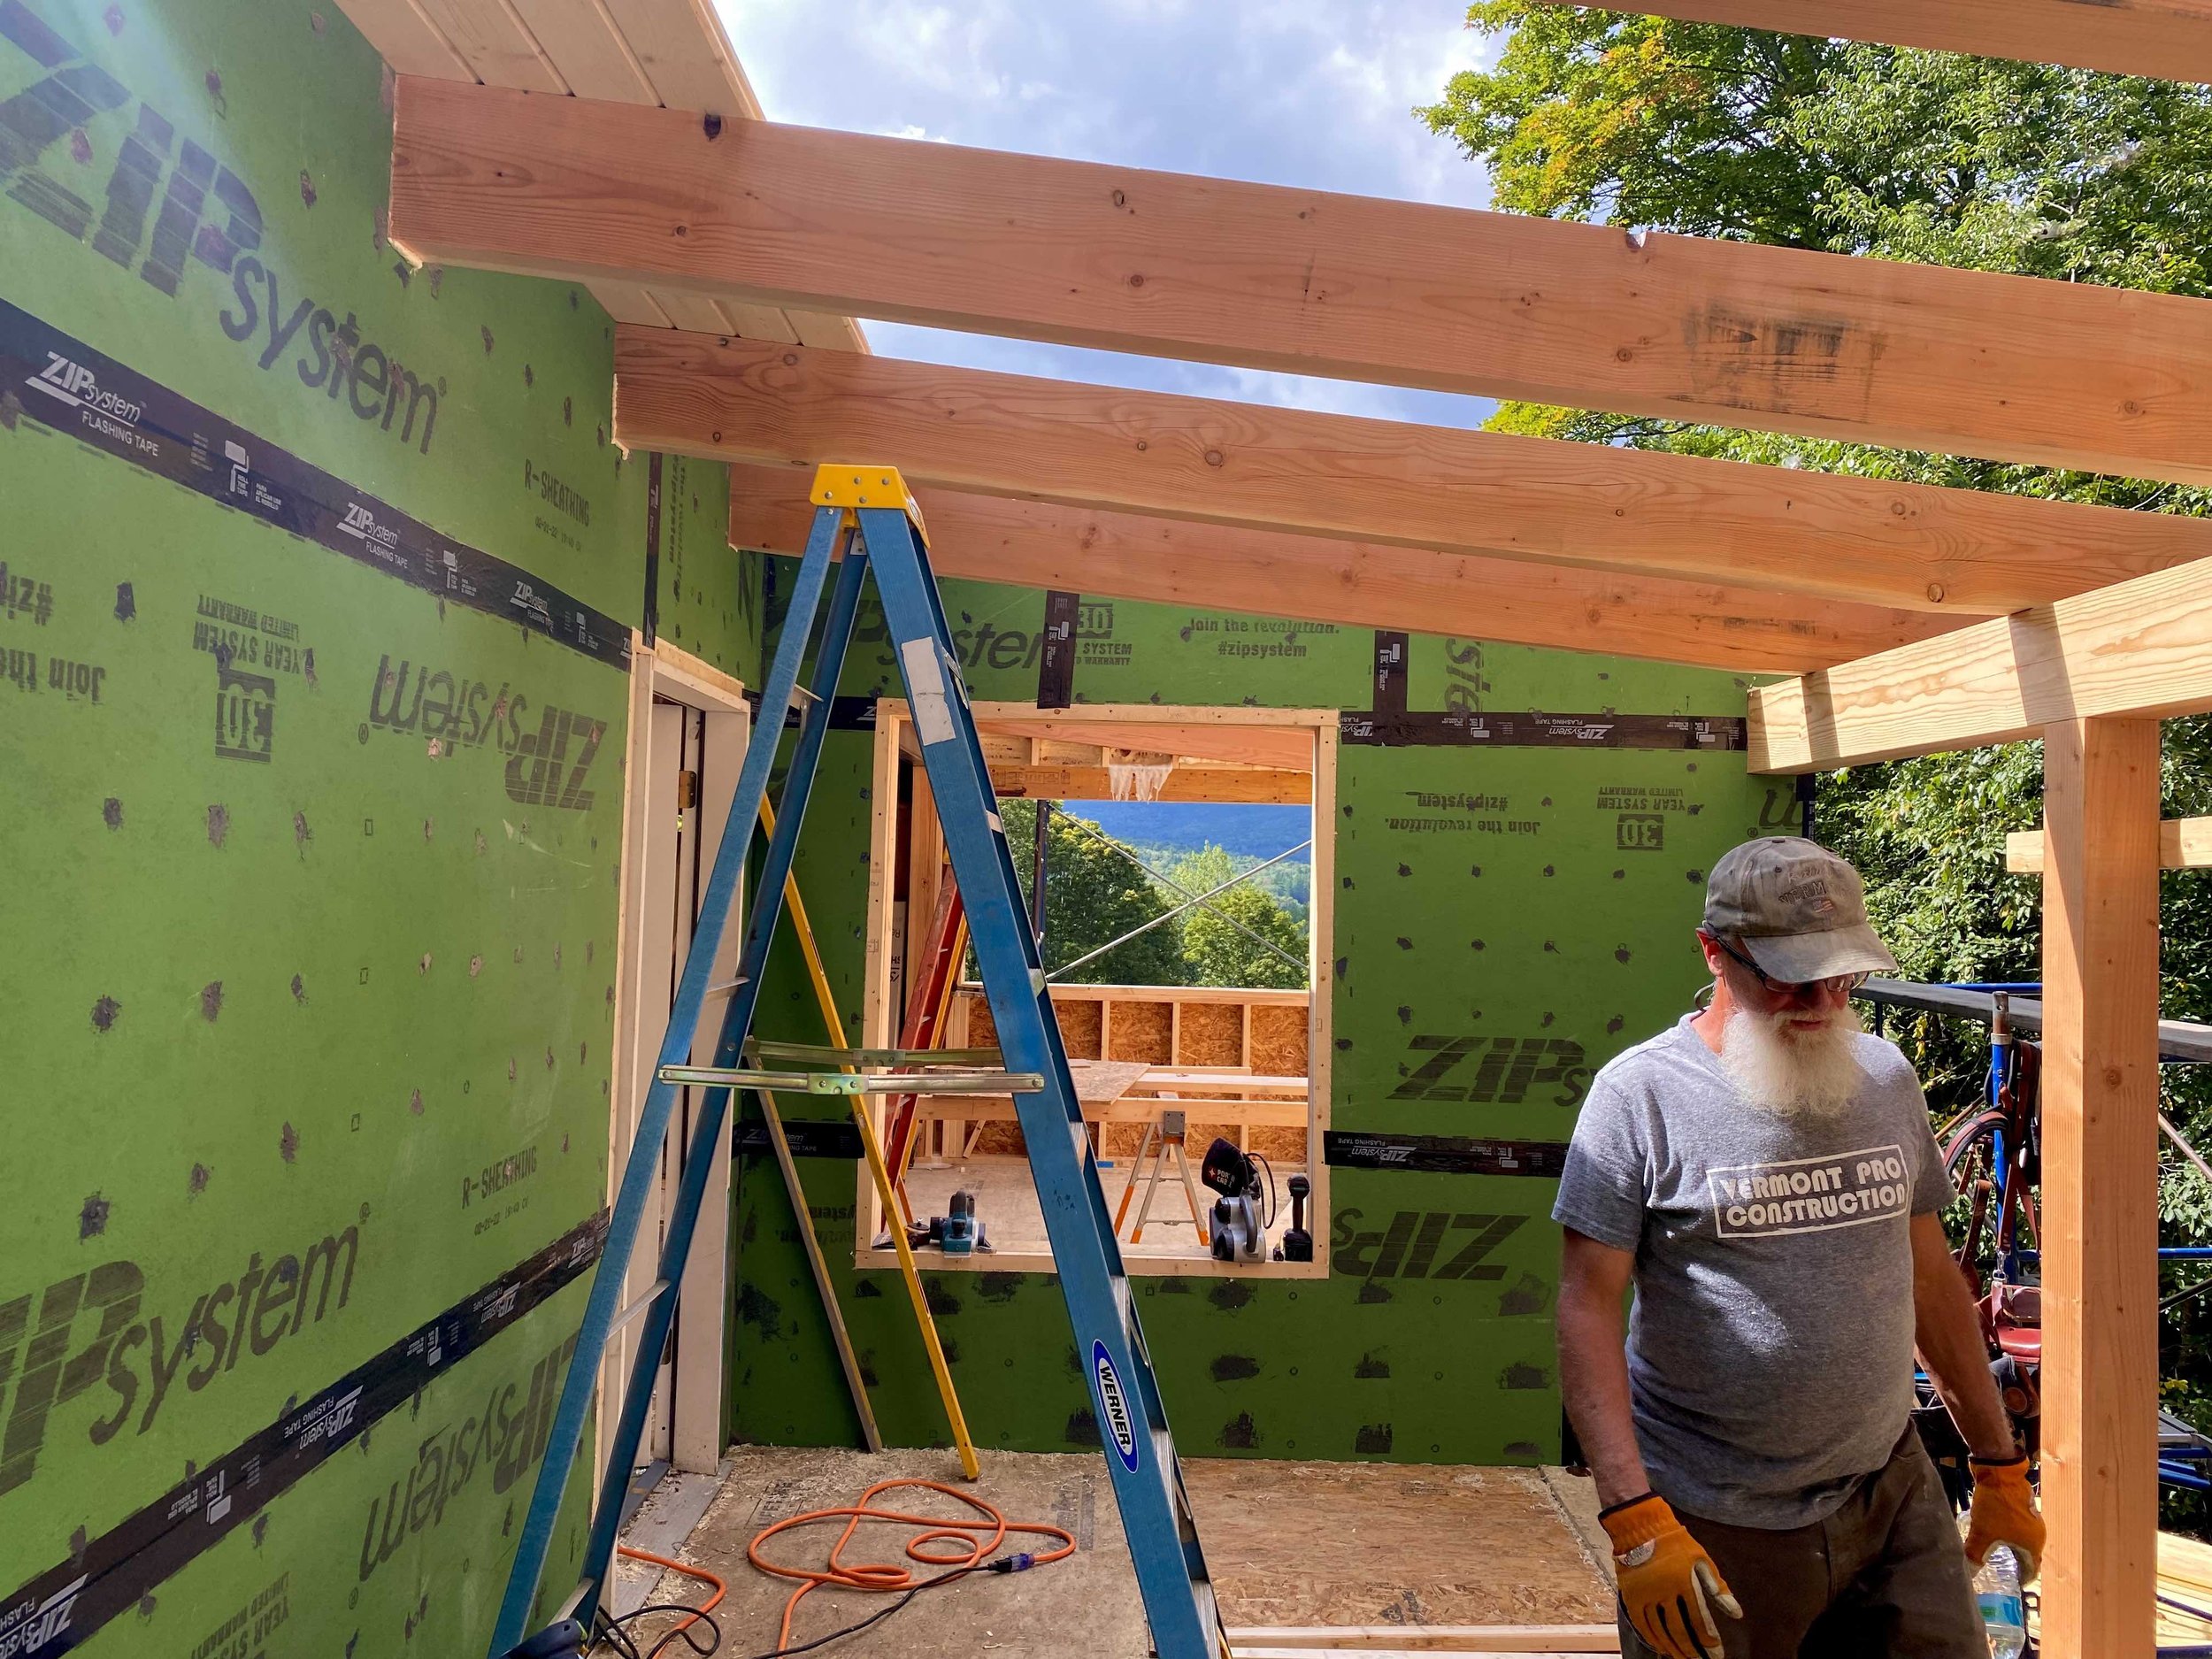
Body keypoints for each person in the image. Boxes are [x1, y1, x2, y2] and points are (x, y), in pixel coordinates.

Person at [1553, 837, 2045, 1659]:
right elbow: (1586, 1307)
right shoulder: (1640, 1097)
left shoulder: (1885, 1079)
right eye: (1787, 977)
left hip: (1889, 1493)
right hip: (1715, 1518)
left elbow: (1930, 1277)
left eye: (1841, 974)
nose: (1820, 1000)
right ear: (1715, 951)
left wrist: (1997, 1464)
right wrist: (1634, 1517)